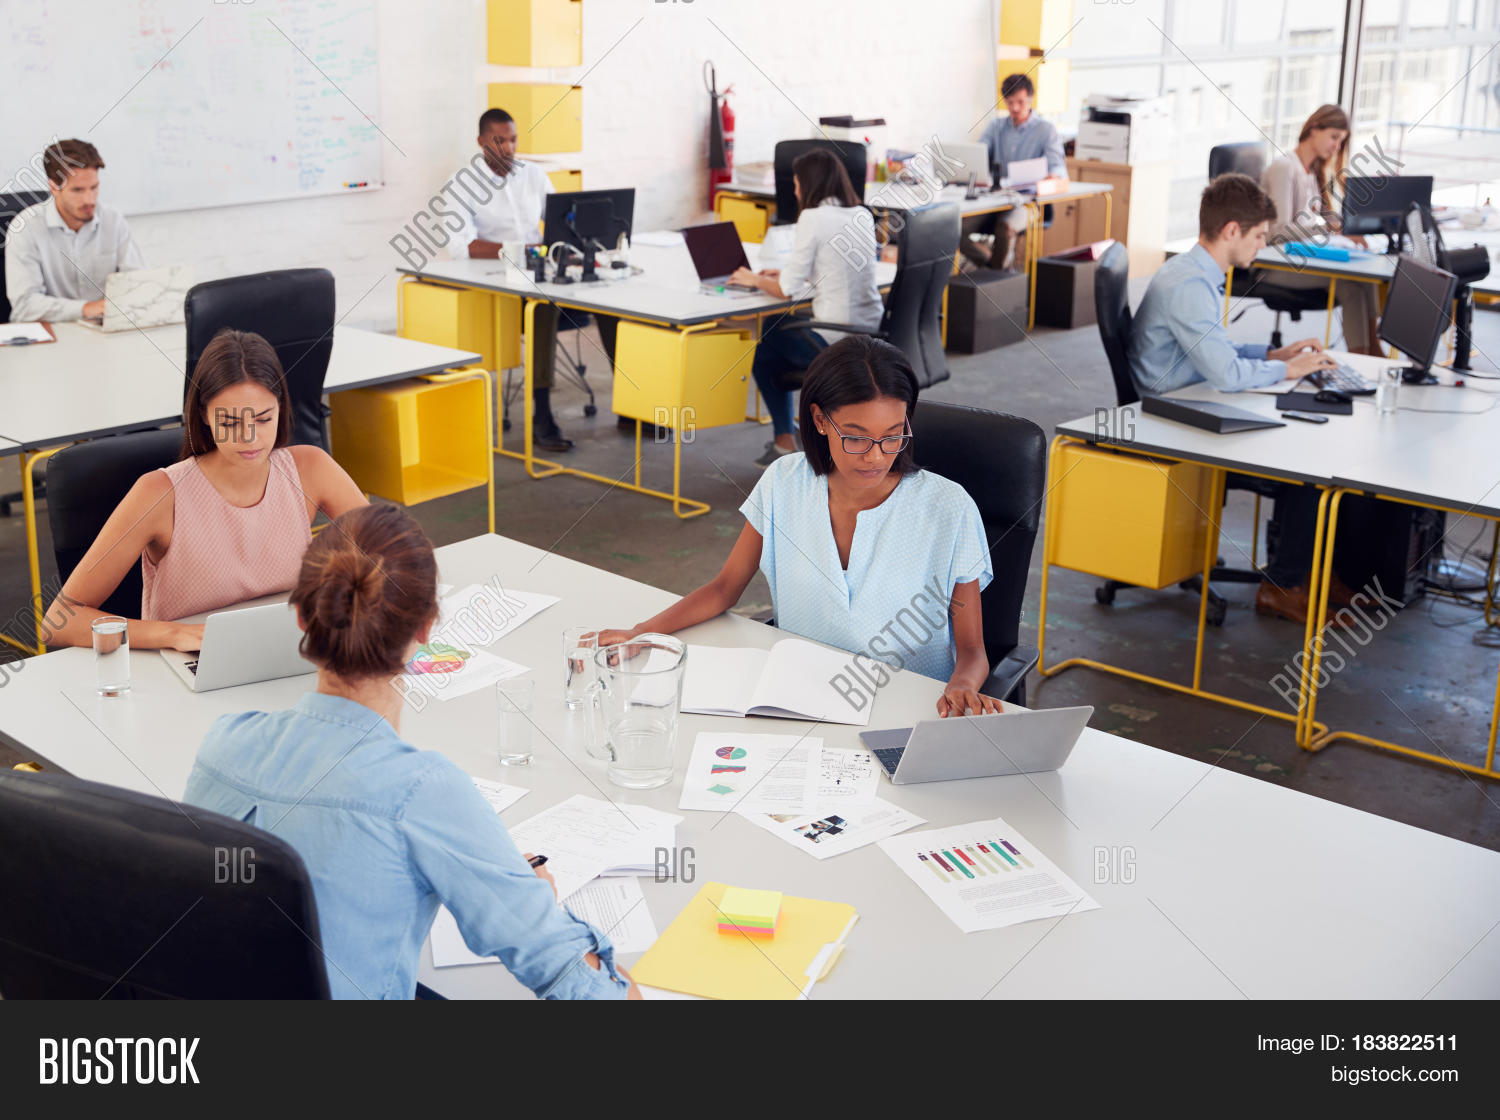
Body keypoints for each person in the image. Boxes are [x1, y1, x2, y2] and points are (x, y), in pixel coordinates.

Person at [184, 504, 638, 1000]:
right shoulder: (422, 792)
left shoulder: (222, 743)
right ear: (426, 627)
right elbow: (586, 988)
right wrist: (530, 902)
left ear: (299, 617)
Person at [601, 336, 1001, 717]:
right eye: (856, 439)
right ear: (820, 420)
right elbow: (725, 588)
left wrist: (963, 684)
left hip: (908, 705)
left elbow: (971, 649)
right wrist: (643, 632)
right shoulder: (783, 483)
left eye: (893, 436)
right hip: (798, 696)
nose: (876, 458)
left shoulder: (949, 508)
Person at [1128, 173, 1363, 624]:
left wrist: (1273, 353)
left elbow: (1216, 350)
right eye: (1258, 237)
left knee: (1311, 441)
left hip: (1191, 395)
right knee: (1309, 469)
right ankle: (1283, 587)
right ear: (1231, 230)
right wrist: (1287, 369)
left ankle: (1307, 573)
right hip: (1179, 415)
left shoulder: (1195, 272)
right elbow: (1227, 373)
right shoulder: (1190, 287)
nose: (1260, 247)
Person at [43, 329, 367, 650]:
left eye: (264, 418)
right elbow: (61, 620)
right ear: (203, 415)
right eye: (230, 423)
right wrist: (172, 634)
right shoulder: (159, 494)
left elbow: (397, 562)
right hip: (189, 662)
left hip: (285, 648)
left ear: (281, 408)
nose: (250, 438)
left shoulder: (311, 469)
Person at [446, 108, 617, 453]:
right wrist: (522, 250)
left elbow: (559, 223)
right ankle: (541, 415)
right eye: (499, 140)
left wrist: (573, 246)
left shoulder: (533, 175)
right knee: (541, 308)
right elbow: (461, 247)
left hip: (540, 272)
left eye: (513, 139)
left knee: (613, 305)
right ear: (481, 142)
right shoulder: (461, 184)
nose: (509, 148)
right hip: (495, 285)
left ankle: (632, 408)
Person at [730, 148, 883, 468]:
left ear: (811, 184)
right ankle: (791, 436)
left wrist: (752, 279)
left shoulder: (812, 218)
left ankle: (785, 438)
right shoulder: (862, 214)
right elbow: (837, 269)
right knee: (775, 339)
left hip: (835, 340)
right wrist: (786, 275)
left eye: (798, 183)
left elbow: (787, 290)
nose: (796, 190)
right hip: (872, 335)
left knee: (767, 342)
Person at [1261, 104, 1381, 354]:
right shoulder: (1285, 167)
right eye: (1334, 137)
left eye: (1342, 141)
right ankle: (1361, 355)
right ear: (1314, 129)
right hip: (1276, 265)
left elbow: (1322, 221)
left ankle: (1374, 349)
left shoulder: (1312, 171)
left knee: (1366, 279)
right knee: (1351, 285)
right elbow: (1277, 232)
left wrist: (1346, 226)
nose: (1337, 146)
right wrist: (1325, 230)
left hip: (1302, 256)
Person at [4, 139, 142, 323]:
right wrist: (86, 309)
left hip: (103, 330)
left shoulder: (112, 220)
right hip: (52, 334)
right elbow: (25, 306)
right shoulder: (26, 228)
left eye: (94, 187)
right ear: (54, 187)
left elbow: (139, 284)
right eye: (77, 190)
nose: (89, 200)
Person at [964, 74, 1068, 271]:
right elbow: (979, 154)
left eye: (1020, 102)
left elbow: (1058, 169)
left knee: (1005, 228)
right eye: (1010, 103)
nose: (1015, 108)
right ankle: (996, 269)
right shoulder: (996, 126)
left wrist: (1051, 177)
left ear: (1030, 98)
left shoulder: (1046, 130)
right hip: (993, 200)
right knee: (955, 229)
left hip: (1026, 203)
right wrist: (978, 172)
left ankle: (995, 274)